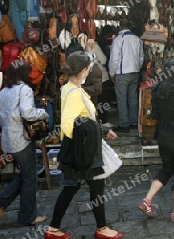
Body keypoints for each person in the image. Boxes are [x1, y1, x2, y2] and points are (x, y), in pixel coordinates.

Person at [45, 51, 123, 239]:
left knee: (72, 188)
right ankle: (101, 229)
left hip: (77, 150)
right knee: (95, 188)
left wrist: (101, 129)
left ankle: (54, 228)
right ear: (85, 70)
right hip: (82, 152)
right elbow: (68, 125)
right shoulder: (73, 92)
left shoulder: (69, 88)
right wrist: (91, 134)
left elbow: (83, 119)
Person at [0, 60, 48, 225]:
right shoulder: (25, 90)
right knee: (30, 179)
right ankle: (28, 217)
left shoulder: (2, 93)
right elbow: (28, 113)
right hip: (22, 139)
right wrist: (42, 113)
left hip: (8, 139)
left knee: (26, 175)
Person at [138, 59, 174, 223]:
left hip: (163, 137)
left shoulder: (157, 90)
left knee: (166, 169)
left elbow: (154, 114)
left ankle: (147, 200)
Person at [109, 19, 144, 133]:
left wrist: (112, 73)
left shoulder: (119, 39)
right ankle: (134, 123)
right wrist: (137, 68)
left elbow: (114, 59)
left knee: (122, 99)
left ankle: (124, 125)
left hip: (122, 74)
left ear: (120, 27)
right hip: (134, 73)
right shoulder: (137, 39)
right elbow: (141, 58)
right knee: (133, 98)